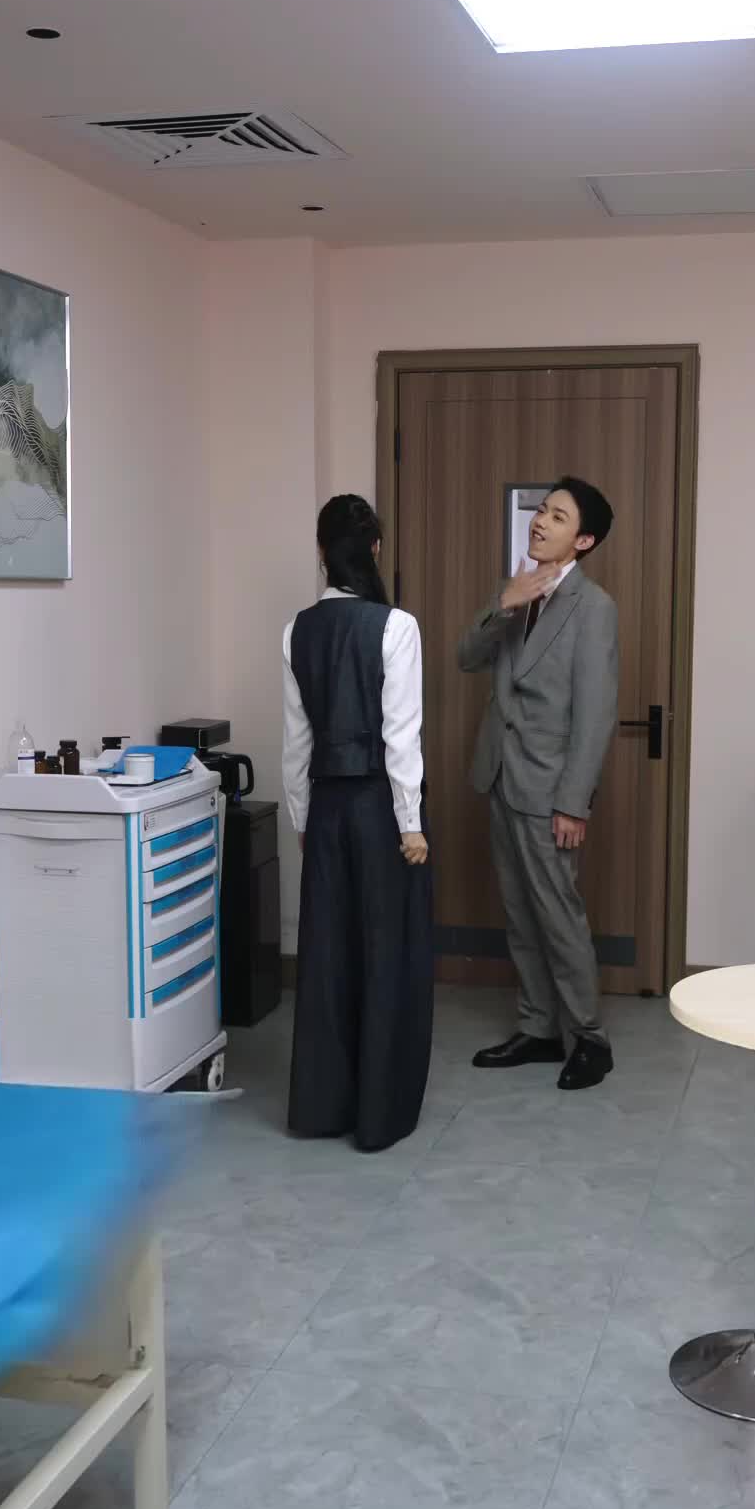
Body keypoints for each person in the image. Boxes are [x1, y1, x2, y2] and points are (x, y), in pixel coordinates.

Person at [457, 477, 619, 1092]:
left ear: (583, 540)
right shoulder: (517, 591)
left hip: (550, 790)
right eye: (541, 511)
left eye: (557, 517)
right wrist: (504, 603)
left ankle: (590, 1038)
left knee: (558, 916)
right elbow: (467, 658)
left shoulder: (593, 608)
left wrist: (574, 803)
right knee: (520, 914)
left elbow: (595, 714)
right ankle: (538, 1028)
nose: (540, 522)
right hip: (502, 776)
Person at [282, 495, 433, 1152]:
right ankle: (379, 1117)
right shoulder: (396, 626)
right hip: (380, 810)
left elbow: (296, 742)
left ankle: (322, 1108)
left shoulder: (296, 631)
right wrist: (412, 823)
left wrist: (302, 818)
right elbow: (401, 736)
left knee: (327, 957)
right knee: (385, 951)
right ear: (375, 549)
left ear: (321, 552)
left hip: (326, 809)